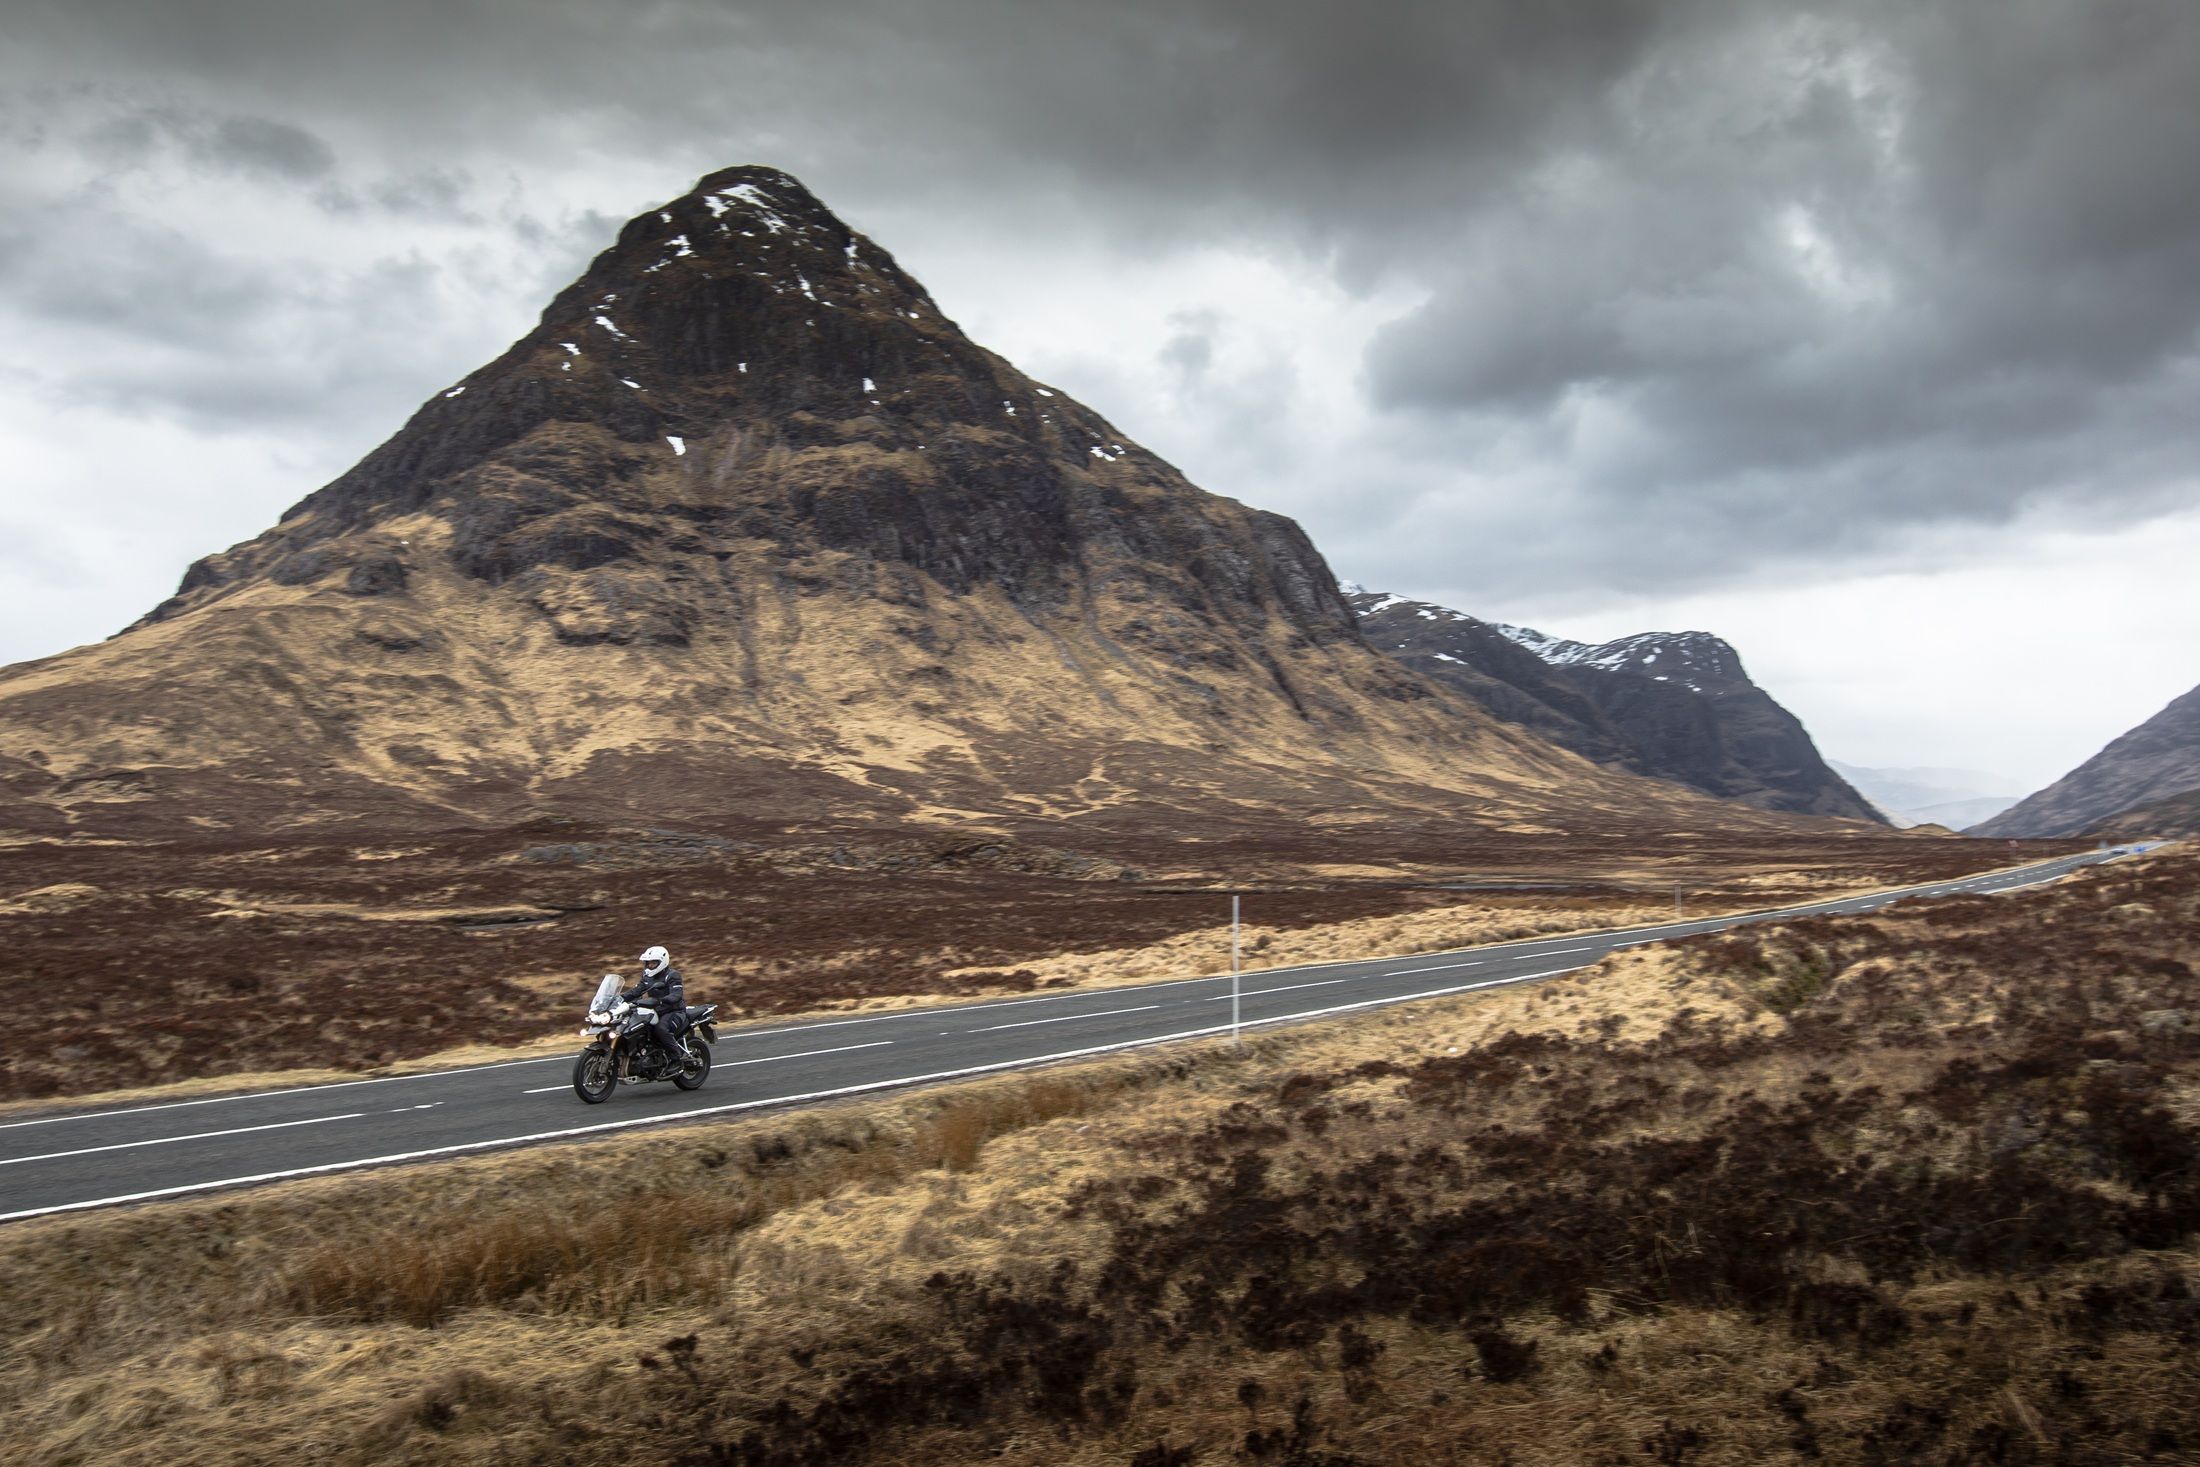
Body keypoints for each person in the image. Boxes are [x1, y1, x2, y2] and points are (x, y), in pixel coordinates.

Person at [622, 944, 689, 1073]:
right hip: (655, 1011)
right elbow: (636, 991)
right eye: (648, 963)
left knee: (661, 1029)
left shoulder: (672, 975)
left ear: (662, 962)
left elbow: (676, 994)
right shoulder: (647, 976)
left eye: (653, 963)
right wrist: (619, 999)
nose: (650, 966)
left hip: (674, 1011)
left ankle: (677, 1058)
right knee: (635, 1026)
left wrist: (662, 1000)